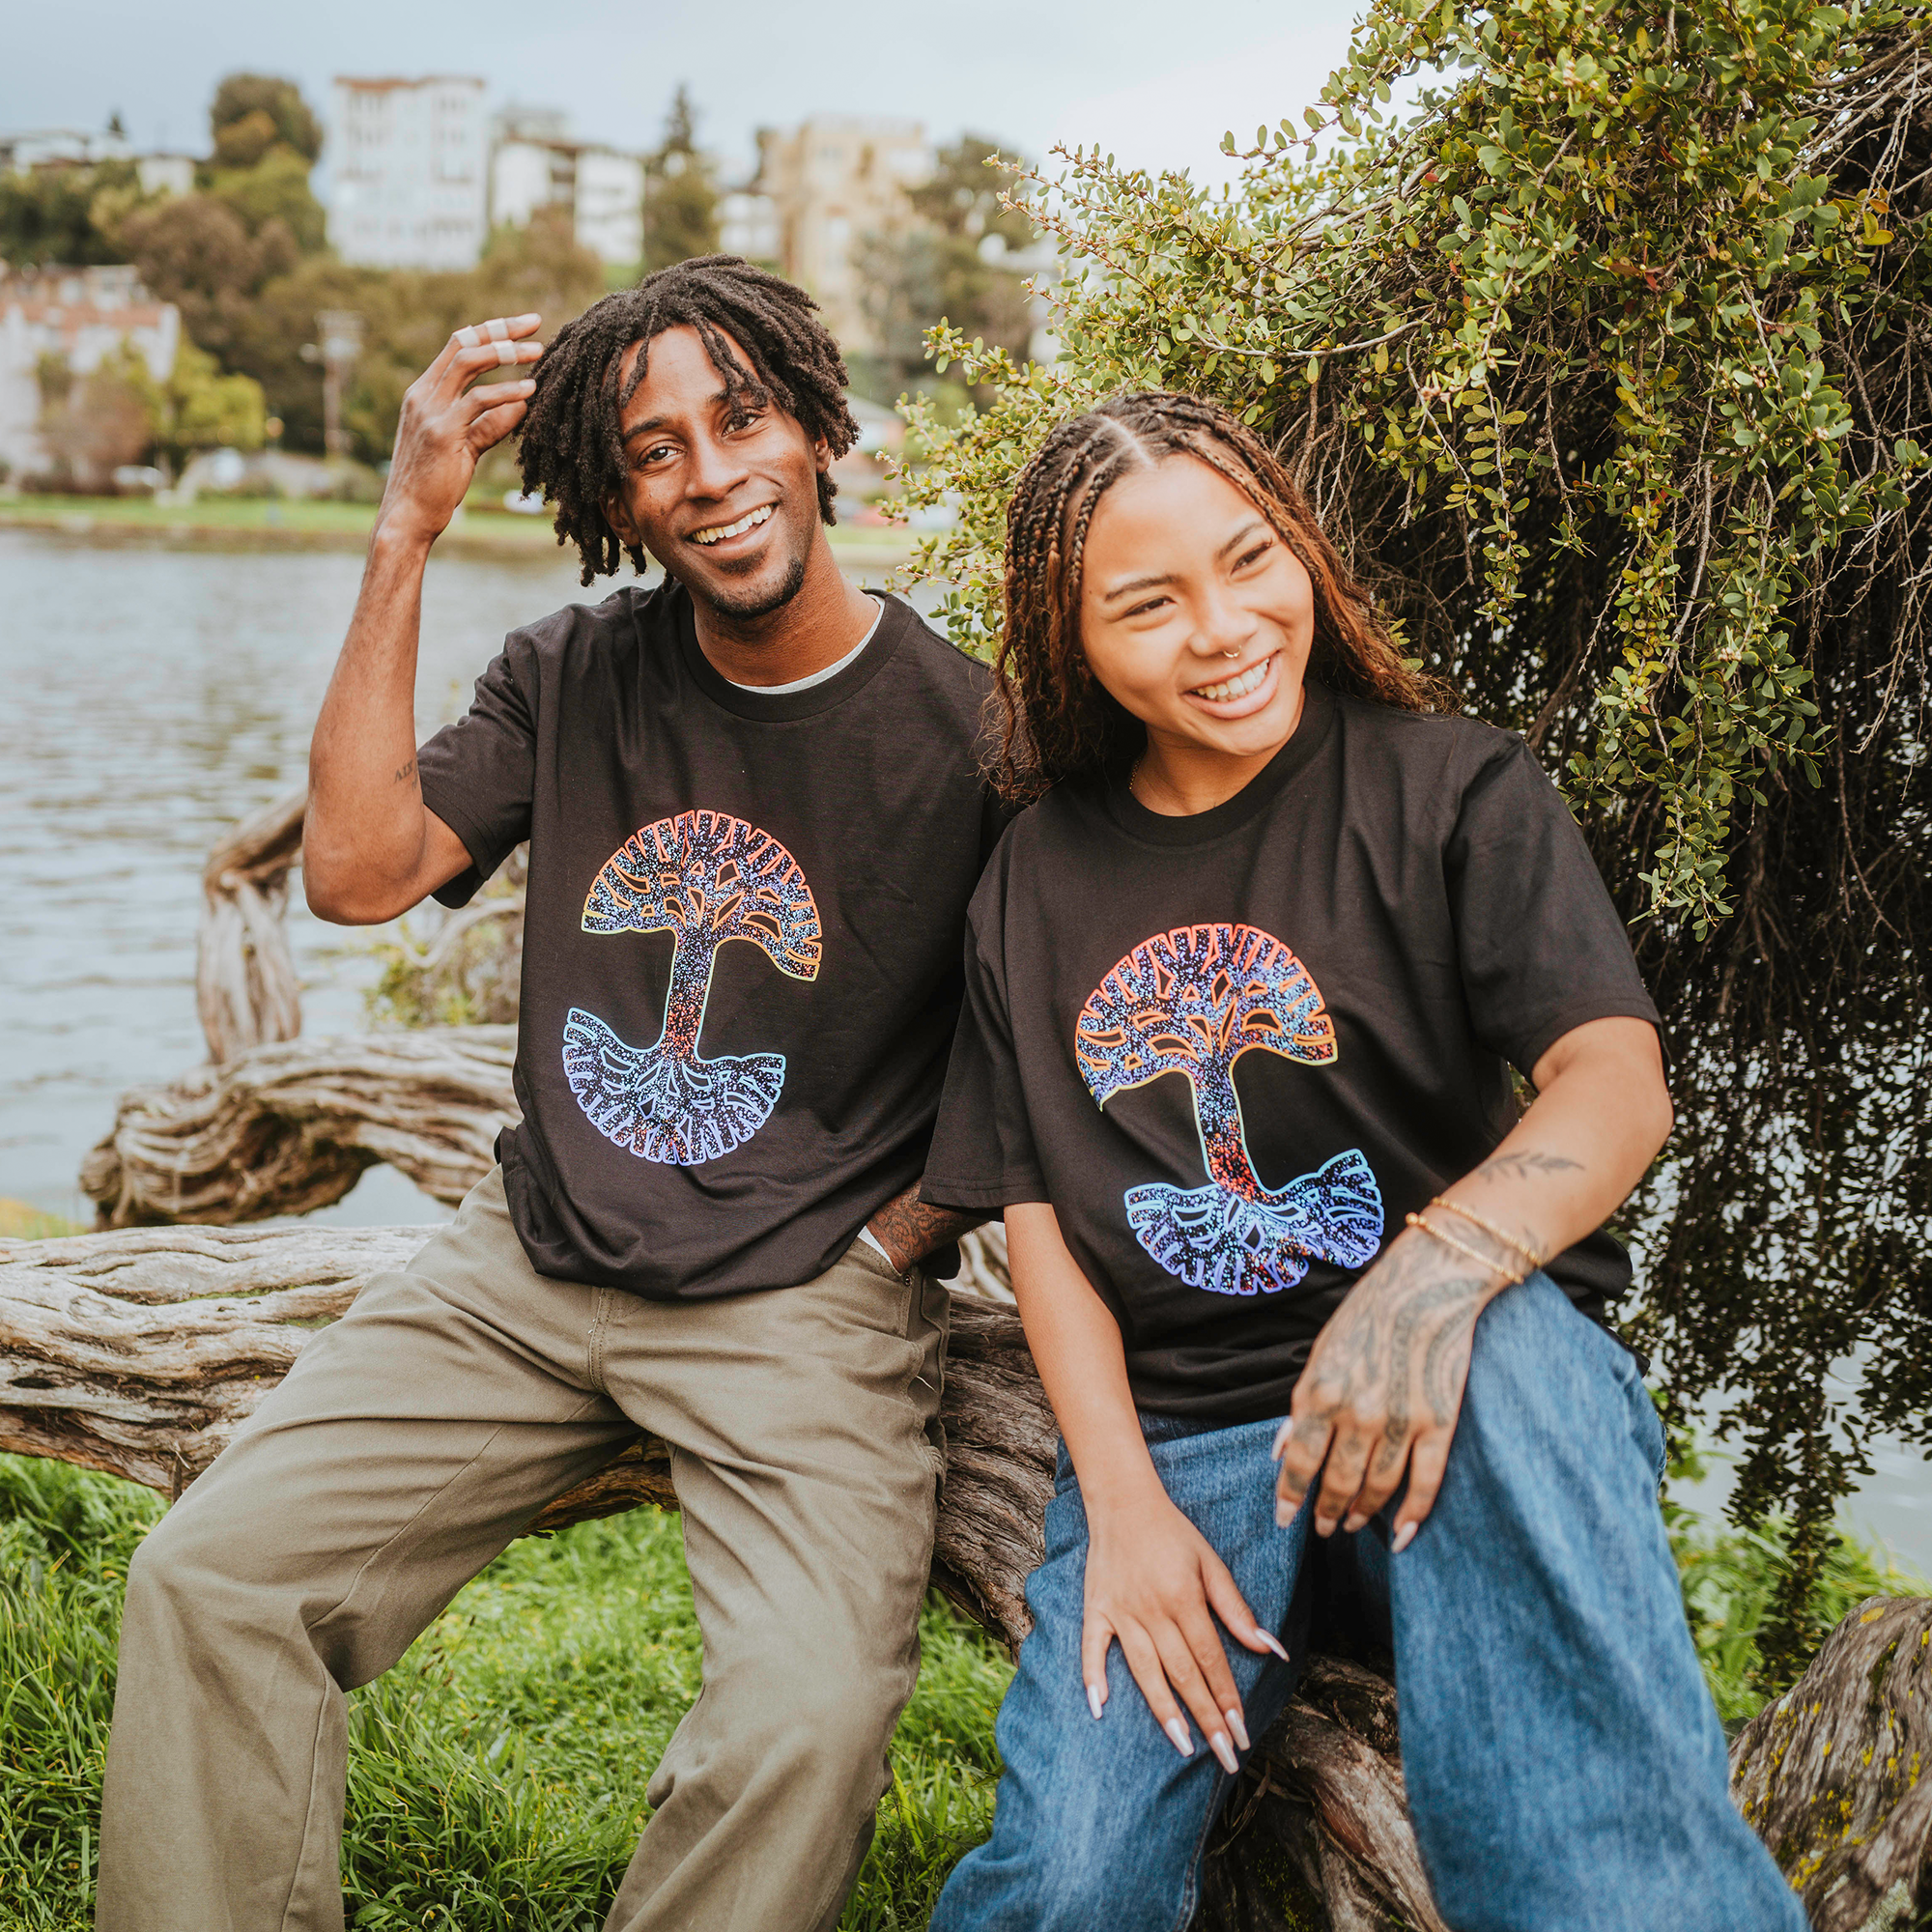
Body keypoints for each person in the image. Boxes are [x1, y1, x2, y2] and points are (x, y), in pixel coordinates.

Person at [96, 257, 996, 1932]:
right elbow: (358, 875)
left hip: (801, 1302)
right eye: (656, 451)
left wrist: (892, 1242)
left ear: (817, 430)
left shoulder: (973, 734)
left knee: (804, 1719)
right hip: (527, 1270)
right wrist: (404, 530)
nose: (710, 473)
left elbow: (1043, 1048)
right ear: (616, 495)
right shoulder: (575, 674)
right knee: (211, 1580)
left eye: (741, 420)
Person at [917, 391, 1807, 1931]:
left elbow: (1616, 1079)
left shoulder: (1453, 788)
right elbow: (1040, 1215)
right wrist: (1119, 1501)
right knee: (1066, 1885)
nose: (1224, 627)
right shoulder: (1032, 879)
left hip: (1470, 1391)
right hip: (1191, 1454)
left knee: (1517, 1381)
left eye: (1249, 561)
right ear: (1074, 645)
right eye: (1149, 603)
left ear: (1305, 553)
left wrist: (1429, 1275)